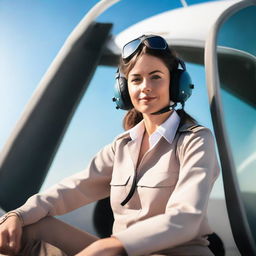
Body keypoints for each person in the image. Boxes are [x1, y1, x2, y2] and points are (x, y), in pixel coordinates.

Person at [0, 34, 220, 256]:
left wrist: (111, 245)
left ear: (175, 83)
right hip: (115, 251)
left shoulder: (196, 139)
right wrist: (17, 215)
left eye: (156, 77)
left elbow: (186, 217)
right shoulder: (121, 147)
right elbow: (70, 189)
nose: (145, 87)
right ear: (123, 89)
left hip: (172, 253)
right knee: (29, 227)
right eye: (136, 79)